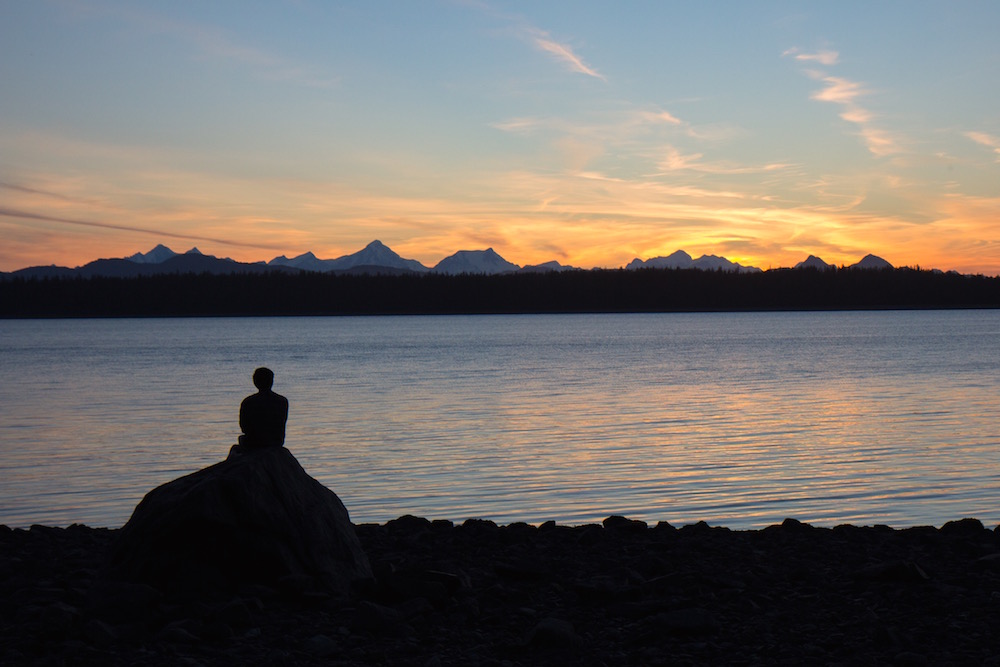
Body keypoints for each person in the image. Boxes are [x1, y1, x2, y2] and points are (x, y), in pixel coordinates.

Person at [238, 367, 289, 449]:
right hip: (276, 442)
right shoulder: (282, 401)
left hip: (254, 442)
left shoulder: (248, 402)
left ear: (255, 382)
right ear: (271, 381)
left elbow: (244, 427)